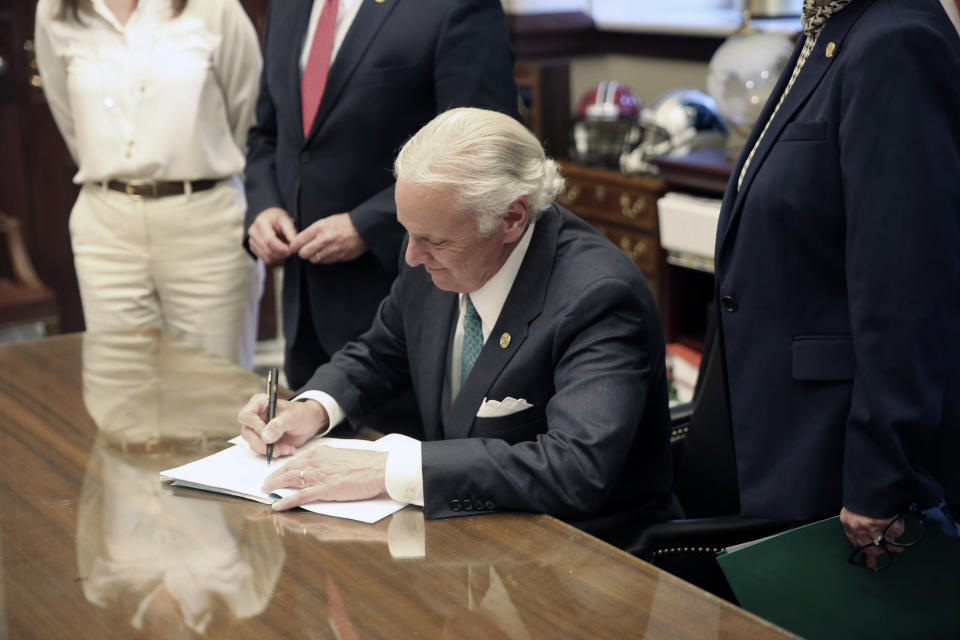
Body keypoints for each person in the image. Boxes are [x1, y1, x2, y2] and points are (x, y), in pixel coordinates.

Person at [238, 107, 680, 548]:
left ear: (512, 219)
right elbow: (383, 350)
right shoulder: (432, 238)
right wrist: (312, 409)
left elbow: (575, 468)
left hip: (585, 557)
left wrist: (390, 471)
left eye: (435, 241)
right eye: (407, 232)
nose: (411, 256)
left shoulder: (597, 297)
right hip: (464, 538)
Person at [714, 0, 960, 562]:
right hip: (782, 435)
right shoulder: (832, 28)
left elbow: (905, 288)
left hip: (841, 461)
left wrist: (882, 473)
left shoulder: (896, 39)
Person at [243, 0, 520, 396]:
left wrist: (367, 224)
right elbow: (269, 135)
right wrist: (264, 204)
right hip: (304, 296)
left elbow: (484, 151)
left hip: (401, 289)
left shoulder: (454, 8)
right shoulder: (288, 6)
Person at [34, 0, 264, 368]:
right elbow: (67, 118)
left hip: (205, 218)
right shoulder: (56, 10)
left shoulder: (214, 8)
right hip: (106, 223)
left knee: (215, 389)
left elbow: (251, 115)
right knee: (122, 393)